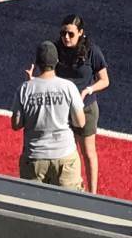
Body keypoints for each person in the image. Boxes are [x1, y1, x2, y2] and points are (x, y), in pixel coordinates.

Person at [11, 42, 86, 189]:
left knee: (33, 205)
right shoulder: (68, 87)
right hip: (64, 155)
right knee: (69, 206)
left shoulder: (25, 89)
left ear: (37, 63)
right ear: (56, 61)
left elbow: (16, 124)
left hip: (34, 157)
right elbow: (80, 122)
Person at [55, 13, 110, 193]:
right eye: (63, 33)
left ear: (81, 33)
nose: (66, 38)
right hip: (62, 110)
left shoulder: (91, 51)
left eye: (71, 34)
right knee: (65, 152)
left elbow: (104, 80)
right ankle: (70, 188)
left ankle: (92, 194)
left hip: (86, 109)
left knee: (87, 152)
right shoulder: (55, 49)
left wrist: (88, 90)